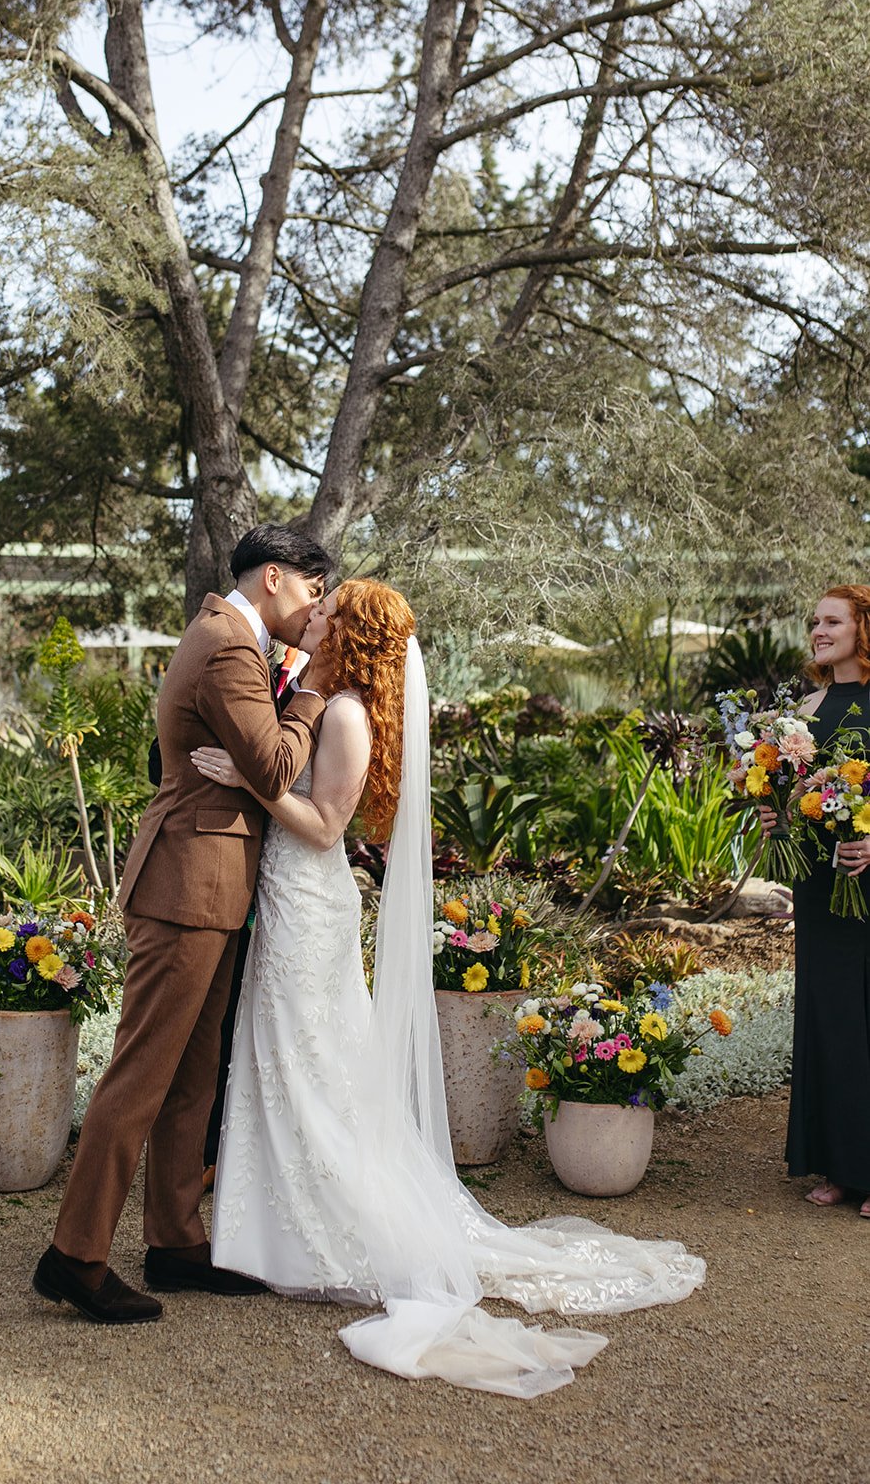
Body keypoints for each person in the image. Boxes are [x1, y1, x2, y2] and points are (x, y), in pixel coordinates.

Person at [194, 579, 705, 1397]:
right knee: (289, 1058)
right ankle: (272, 1233)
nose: (310, 618)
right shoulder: (328, 702)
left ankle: (313, 1236)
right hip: (287, 900)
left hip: (307, 905)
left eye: (326, 614)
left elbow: (325, 826)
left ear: (351, 635)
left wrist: (247, 782)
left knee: (310, 1061)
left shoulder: (351, 716)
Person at [34, 524, 333, 1323]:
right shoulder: (227, 647)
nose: (312, 611)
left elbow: (254, 765)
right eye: (309, 593)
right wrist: (312, 688)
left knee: (192, 1079)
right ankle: (75, 1255)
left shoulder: (236, 638)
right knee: (140, 1077)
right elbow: (273, 767)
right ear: (274, 578)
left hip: (214, 887)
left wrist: (293, 678)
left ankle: (174, 1242)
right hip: (183, 888)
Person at [762, 585, 870, 1214]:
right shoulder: (806, 707)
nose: (819, 631)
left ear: (863, 628)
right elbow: (791, 793)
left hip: (868, 877)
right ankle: (838, 1163)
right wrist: (776, 815)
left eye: (833, 621)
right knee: (829, 1017)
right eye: (815, 622)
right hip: (822, 885)